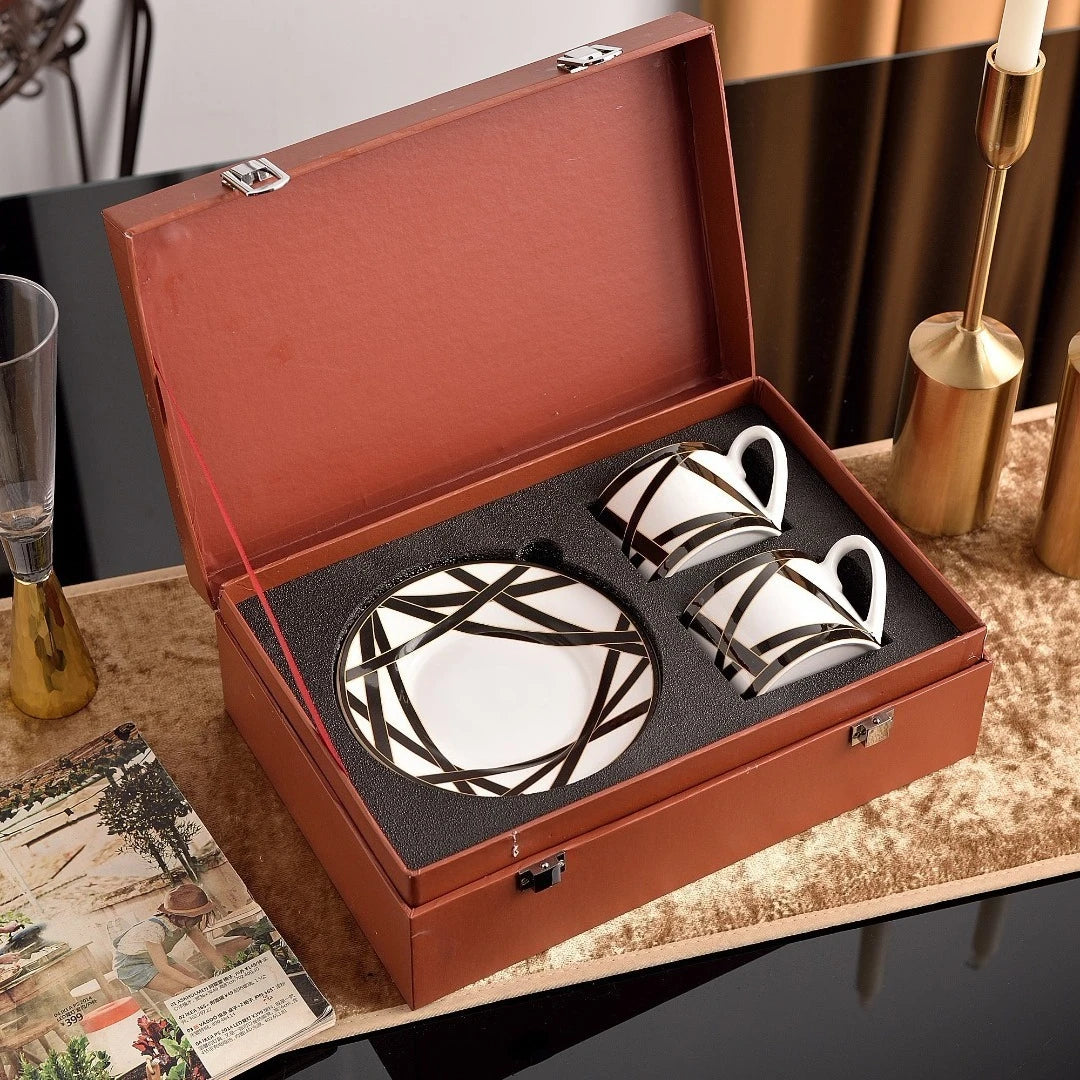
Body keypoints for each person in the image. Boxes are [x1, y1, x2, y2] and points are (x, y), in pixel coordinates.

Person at [113, 884, 224, 994]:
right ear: (178, 915)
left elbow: (204, 946)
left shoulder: (187, 923)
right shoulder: (153, 929)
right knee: (183, 989)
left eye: (200, 914)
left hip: (154, 958)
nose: (198, 919)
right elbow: (163, 967)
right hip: (131, 965)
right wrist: (195, 984)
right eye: (195, 915)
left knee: (196, 981)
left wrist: (225, 968)